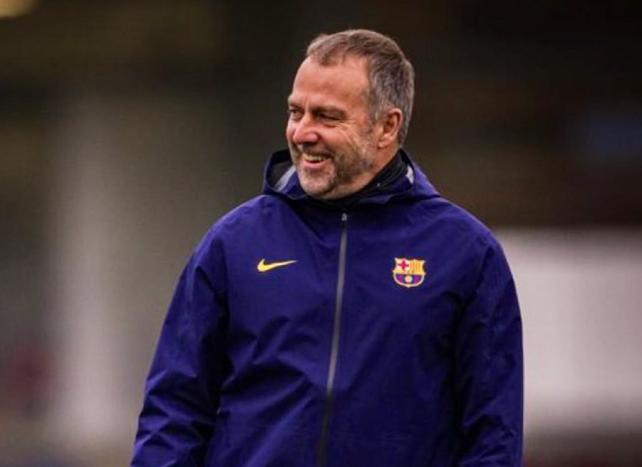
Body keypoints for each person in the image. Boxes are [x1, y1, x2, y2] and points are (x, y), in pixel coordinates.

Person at [131, 29, 523, 467]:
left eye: (327, 117)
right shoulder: (235, 243)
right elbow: (174, 411)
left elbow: (493, 435)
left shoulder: (465, 254)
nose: (302, 133)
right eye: (295, 112)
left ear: (386, 126)